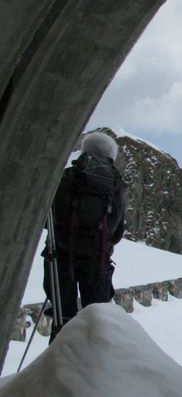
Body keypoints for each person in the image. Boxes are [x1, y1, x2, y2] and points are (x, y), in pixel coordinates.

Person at [43, 130, 126, 342]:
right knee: (96, 316)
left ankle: (58, 360)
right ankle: (93, 362)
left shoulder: (69, 176)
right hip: (96, 259)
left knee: (63, 314)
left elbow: (49, 216)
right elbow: (117, 227)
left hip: (62, 255)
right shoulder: (114, 183)